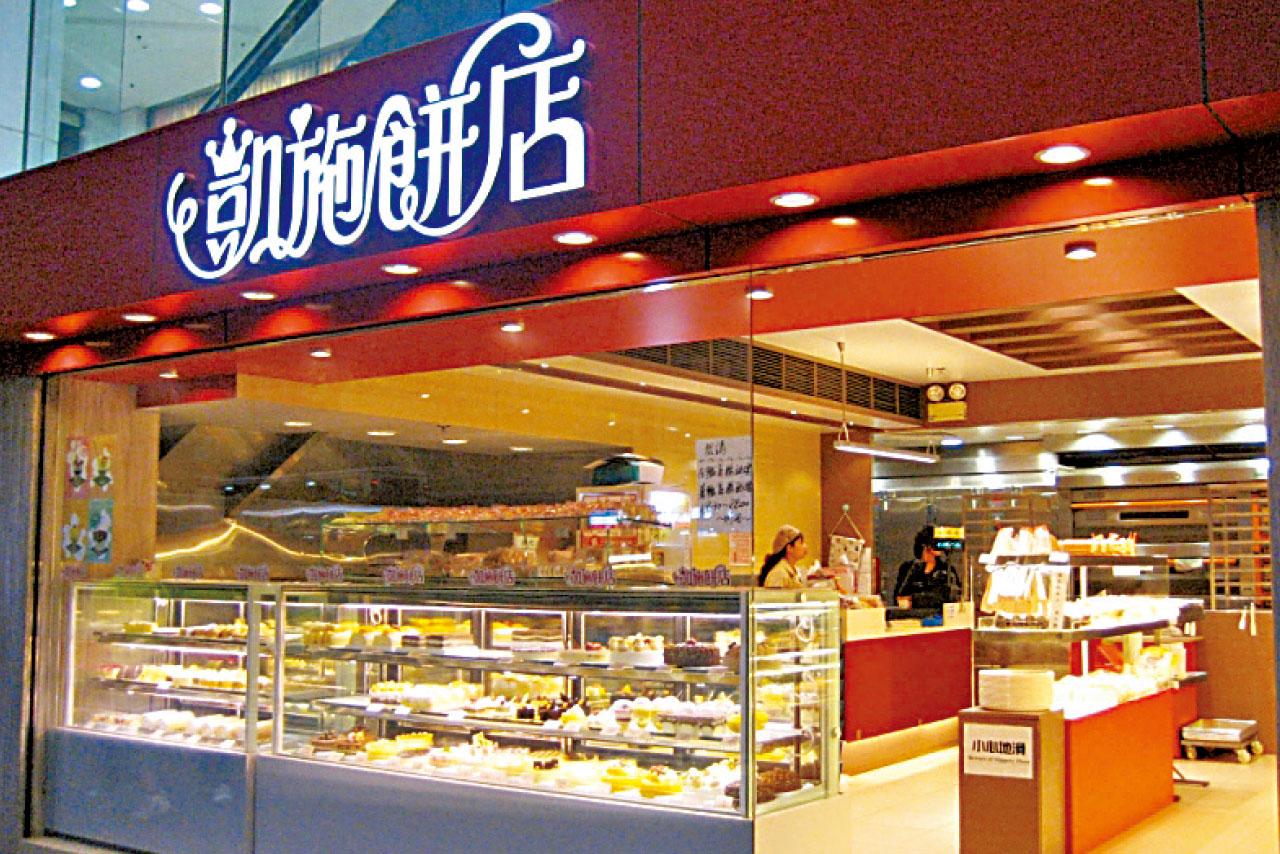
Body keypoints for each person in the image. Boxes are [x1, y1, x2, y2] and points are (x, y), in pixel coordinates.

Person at [893, 526, 960, 609]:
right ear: (926, 545)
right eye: (936, 542)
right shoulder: (908, 568)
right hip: (912, 615)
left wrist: (913, 599)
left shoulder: (947, 569)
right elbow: (899, 597)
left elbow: (946, 597)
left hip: (938, 614)